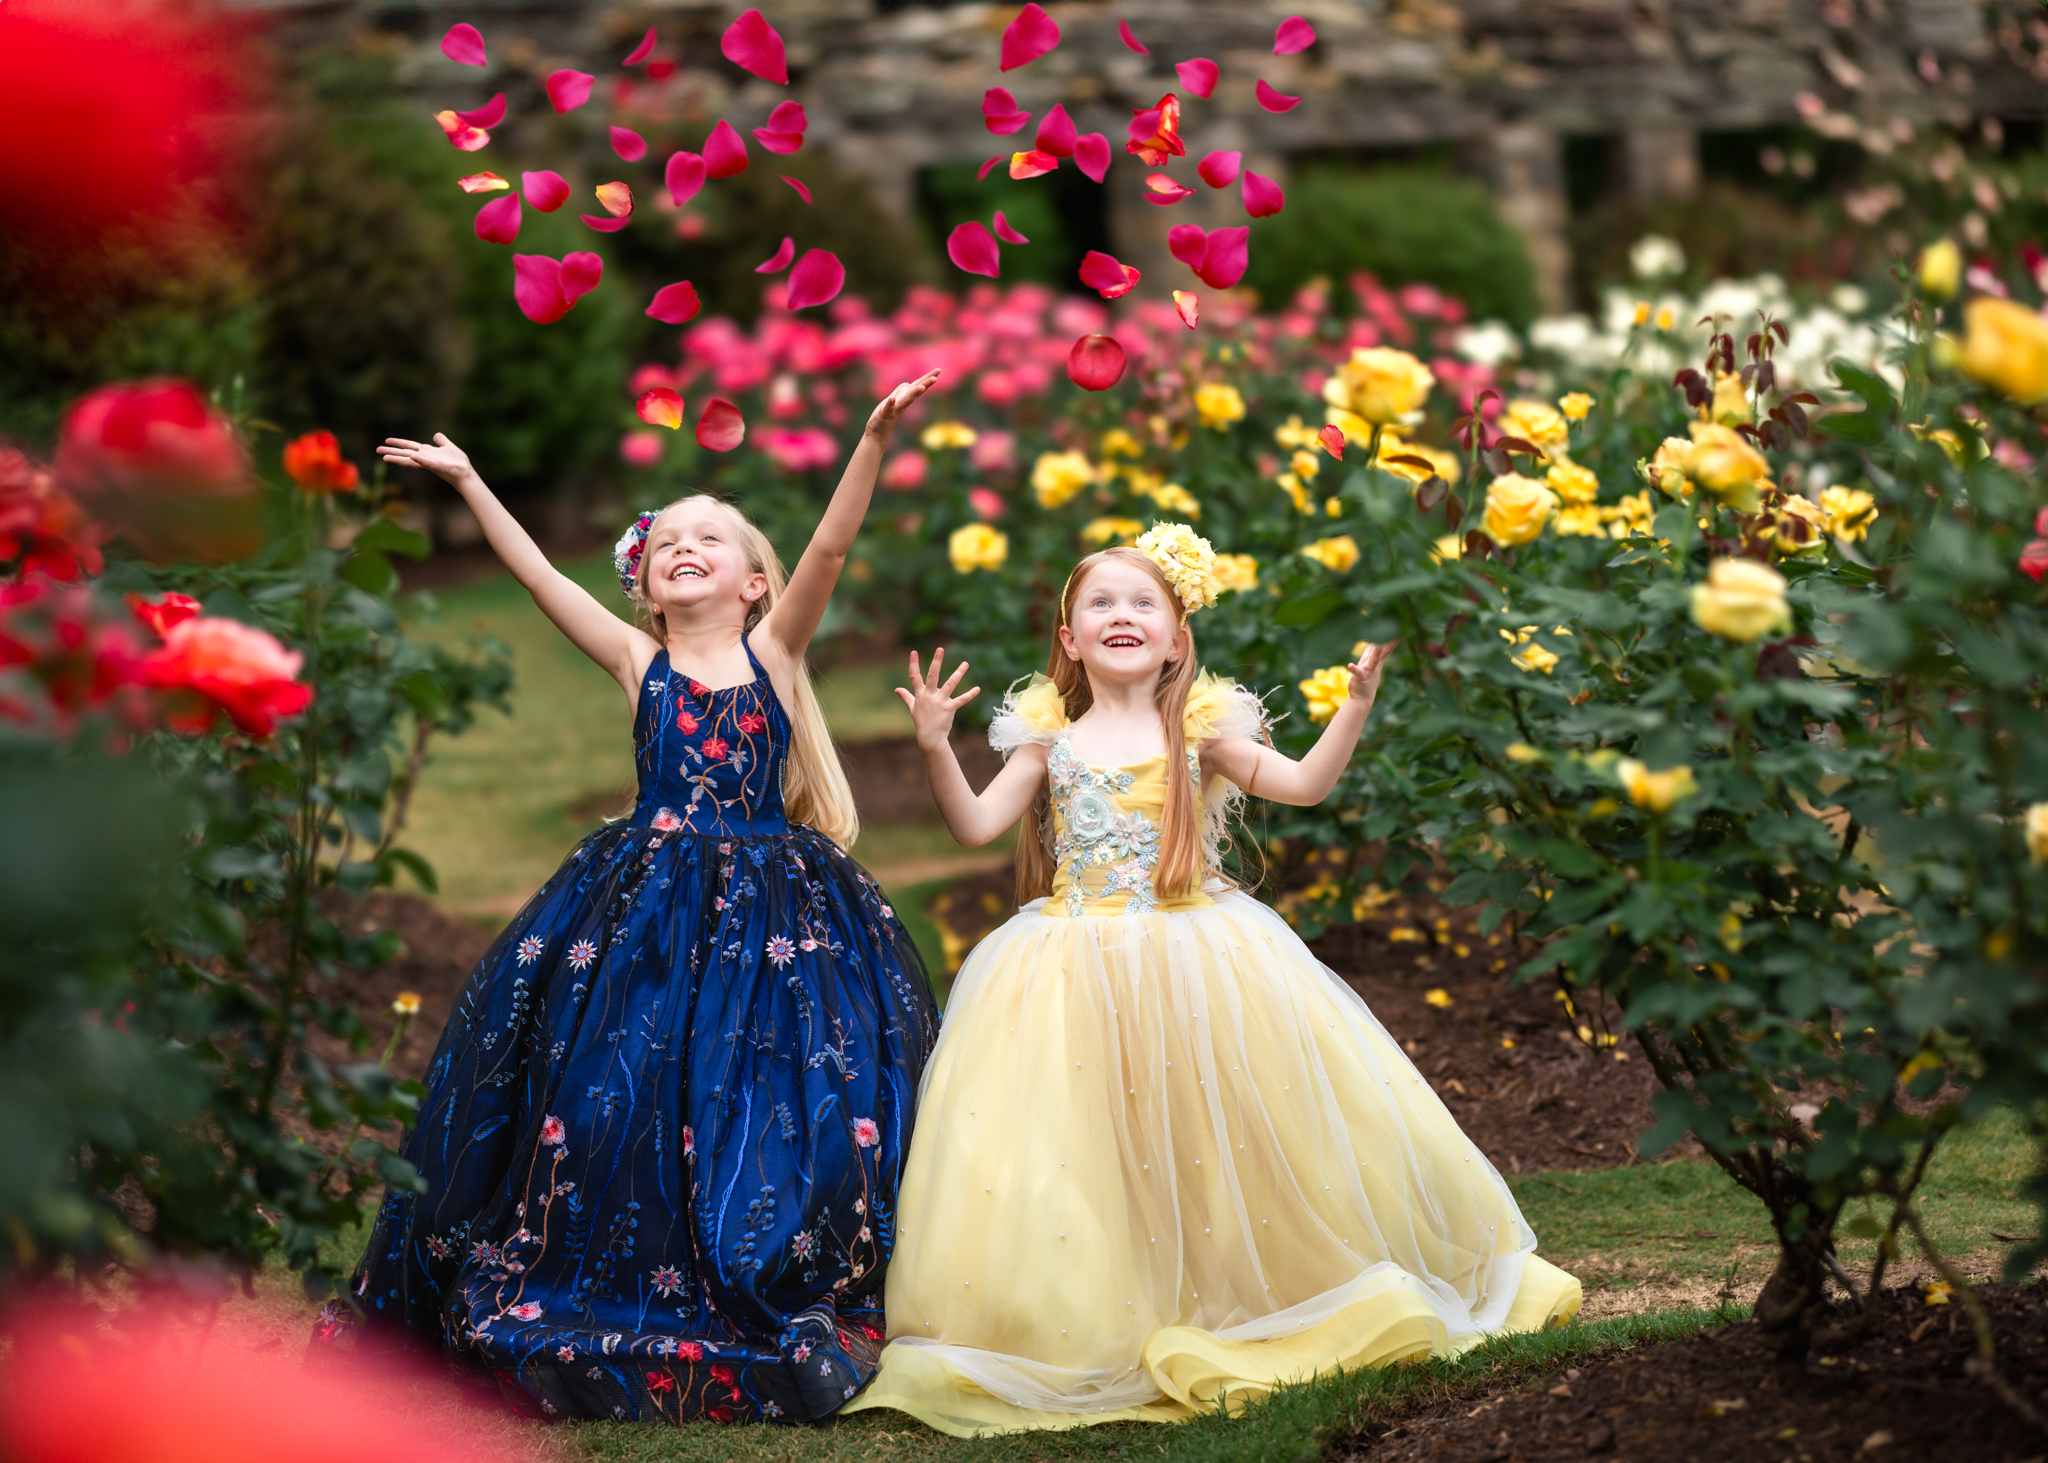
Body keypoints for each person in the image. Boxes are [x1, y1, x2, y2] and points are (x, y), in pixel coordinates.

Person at [843, 527, 1581, 1436]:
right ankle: (1088, 1314)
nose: (1123, 616)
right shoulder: (1048, 739)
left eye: (1143, 602)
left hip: (1200, 959)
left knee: (1213, 1136)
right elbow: (973, 825)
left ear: (1176, 635)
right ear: (1069, 637)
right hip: (1070, 960)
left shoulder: (1199, 728)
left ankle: (1244, 1290)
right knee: (1083, 1144)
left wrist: (1352, 707)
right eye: (1101, 604)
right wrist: (933, 746)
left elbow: (1304, 785)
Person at [312, 372, 946, 1424]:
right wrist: (468, 479)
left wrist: (872, 438)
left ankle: (766, 1250)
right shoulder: (635, 659)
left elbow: (830, 546)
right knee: (615, 1084)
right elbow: (532, 576)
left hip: (777, 916)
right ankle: (623, 1263)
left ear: (753, 582)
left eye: (710, 538)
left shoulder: (775, 652)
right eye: (666, 544)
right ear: (647, 588)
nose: (685, 546)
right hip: (641, 907)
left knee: (772, 1091)